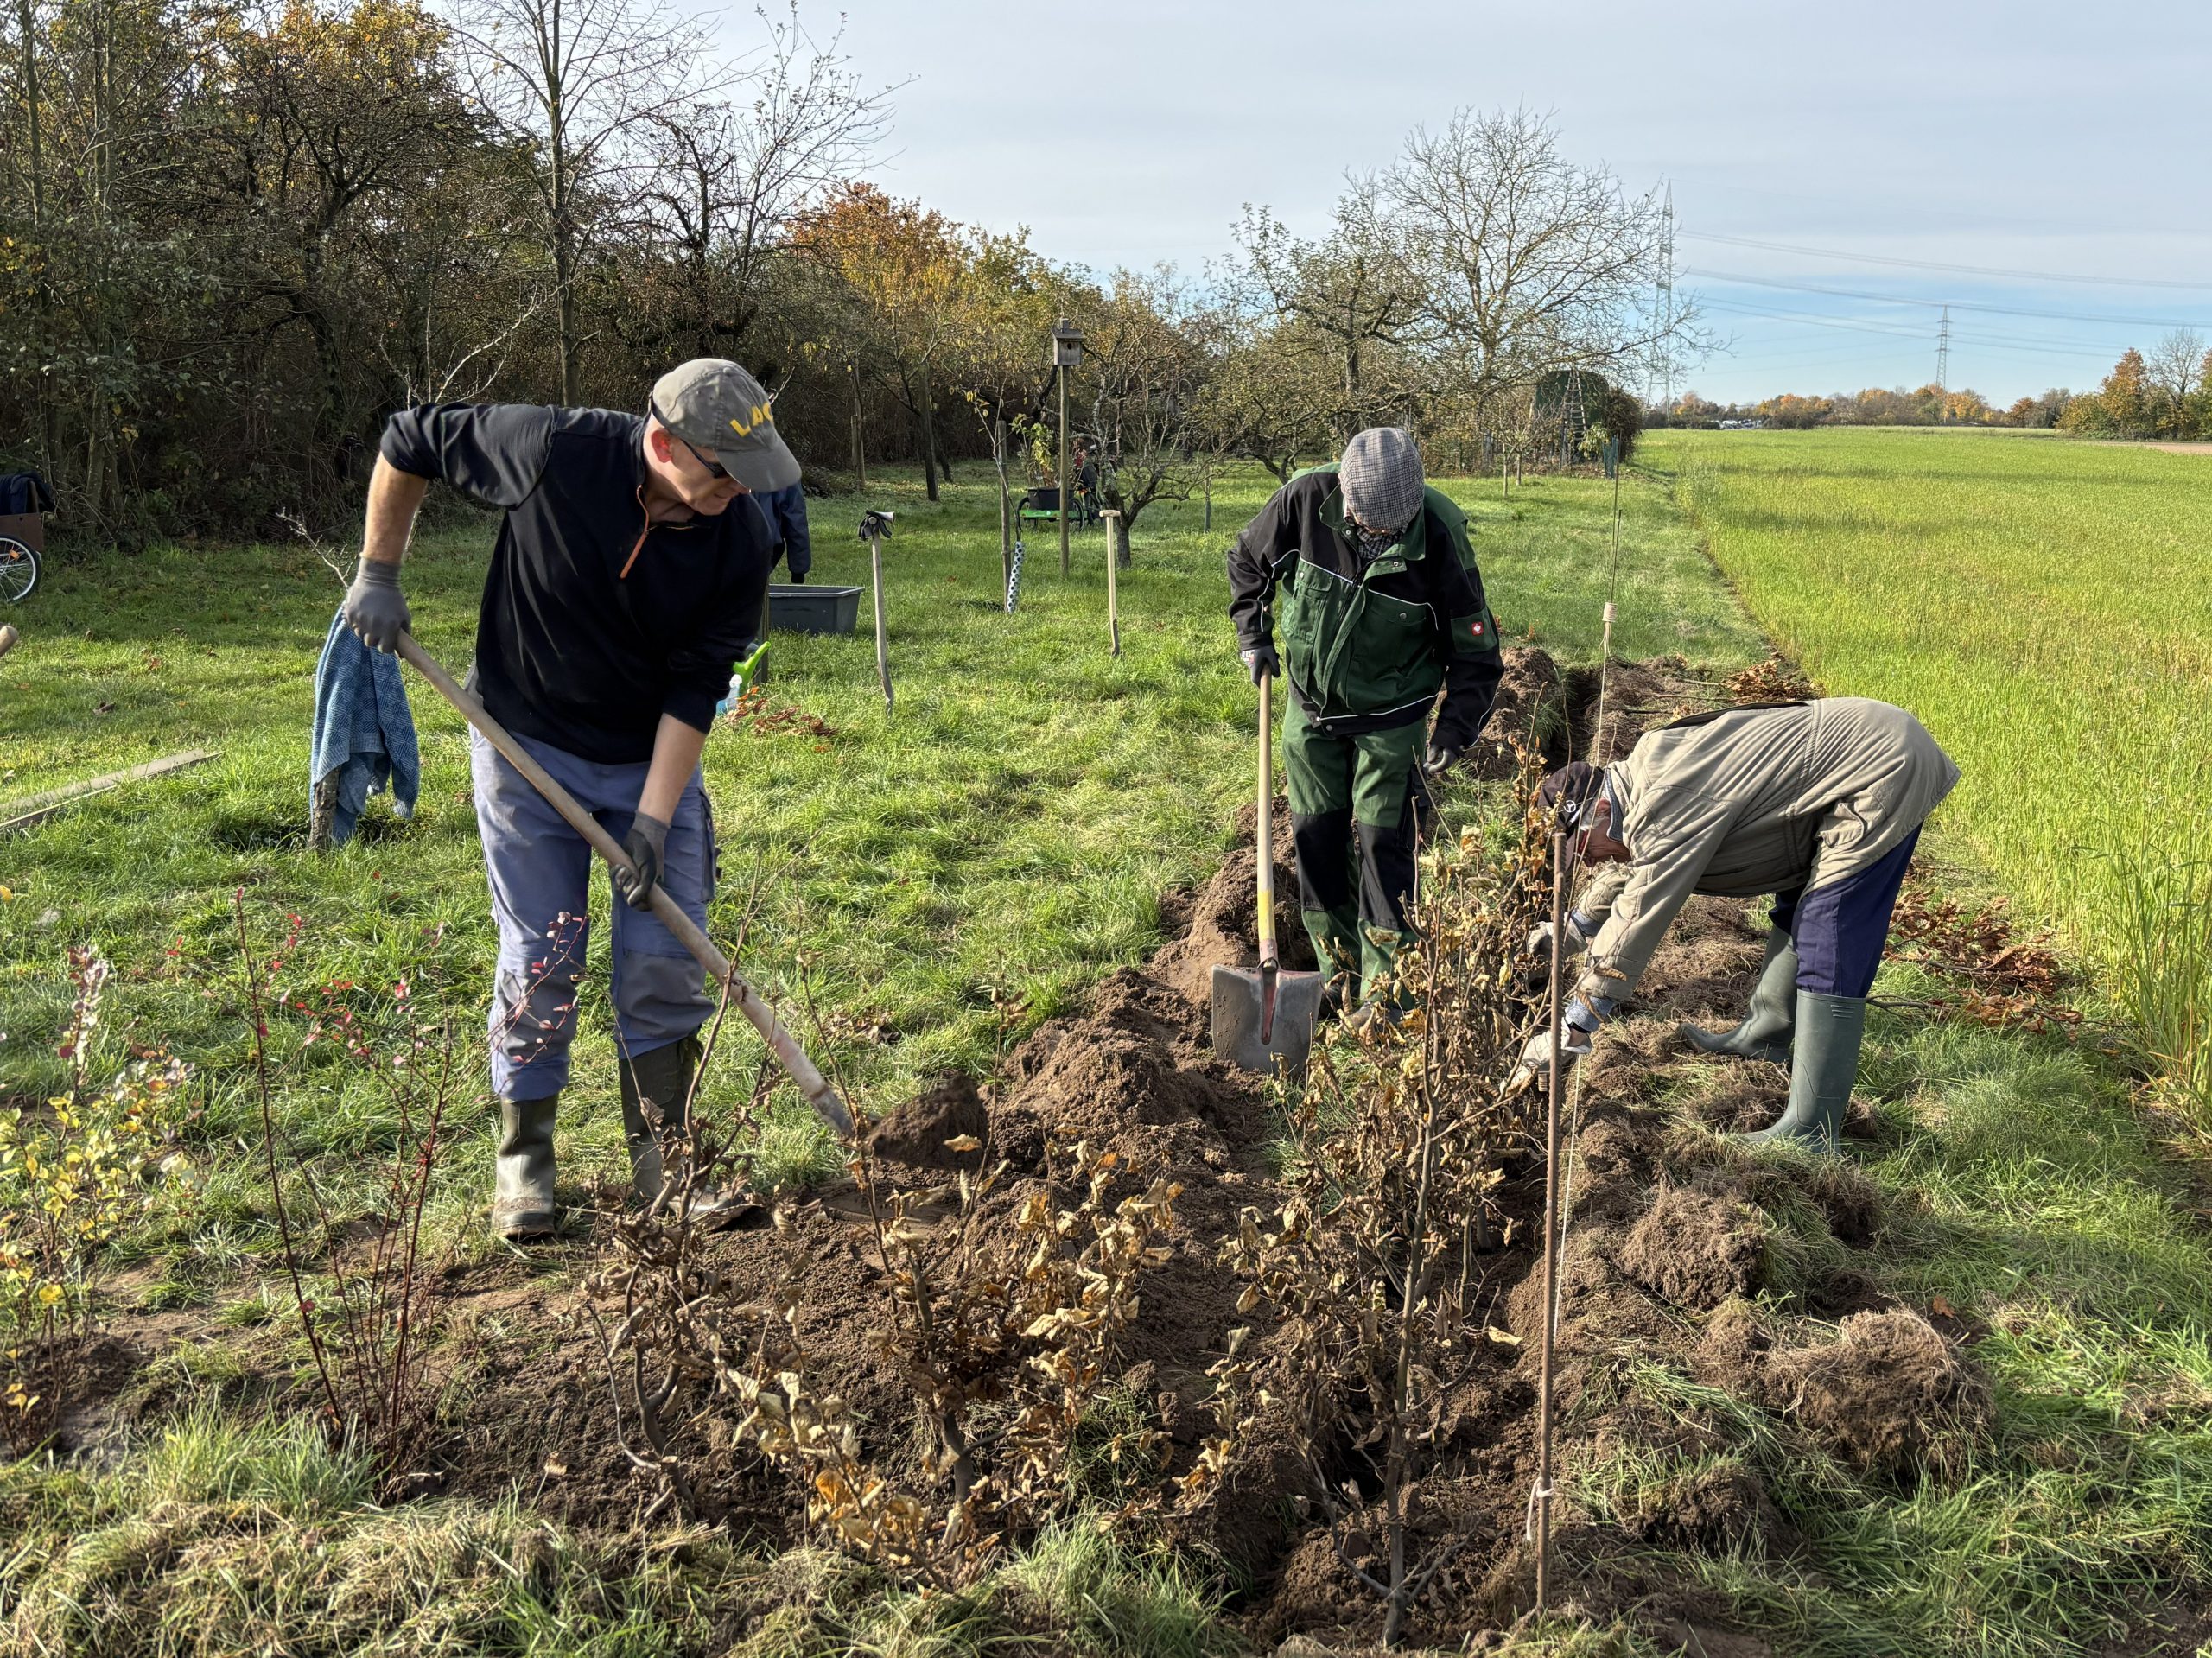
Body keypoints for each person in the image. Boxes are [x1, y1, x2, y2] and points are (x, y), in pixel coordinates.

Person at [340, 359, 796, 1239]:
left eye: (751, 475)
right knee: (542, 957)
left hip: (644, 758)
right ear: (662, 445)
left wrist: (655, 818)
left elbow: (701, 681)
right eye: (722, 471)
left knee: (665, 951)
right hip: (525, 743)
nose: (737, 491)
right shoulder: (552, 447)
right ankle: (525, 1164)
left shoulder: (740, 536)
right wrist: (378, 570)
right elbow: (409, 439)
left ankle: (668, 1159)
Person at [1520, 697, 1959, 1147]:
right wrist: (1572, 929)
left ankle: (1812, 1128)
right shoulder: (1637, 792)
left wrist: (1572, 1029)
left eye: (1582, 848)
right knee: (1798, 907)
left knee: (1830, 926)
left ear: (1600, 813)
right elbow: (1628, 868)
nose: (1587, 862)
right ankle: (1764, 1036)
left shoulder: (1664, 799)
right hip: (1835, 774)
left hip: (1880, 765)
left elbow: (1640, 911)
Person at [1226, 428, 1503, 1016]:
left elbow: (1477, 655)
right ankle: (1337, 976)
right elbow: (1249, 561)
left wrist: (1453, 731)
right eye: (1365, 523)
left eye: (1390, 529)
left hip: (1392, 718)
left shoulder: (1440, 534)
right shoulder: (1306, 499)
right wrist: (1254, 636)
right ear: (1345, 494)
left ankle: (1386, 998)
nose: (1376, 535)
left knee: (1385, 850)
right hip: (1310, 705)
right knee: (1317, 842)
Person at [756, 479, 811, 581]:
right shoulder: (783, 467)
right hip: (764, 546)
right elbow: (795, 516)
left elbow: (795, 516)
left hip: (761, 546)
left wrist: (799, 569)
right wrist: (798, 570)